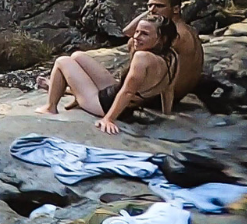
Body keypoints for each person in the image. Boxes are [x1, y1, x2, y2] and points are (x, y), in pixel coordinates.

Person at [36, 14, 179, 134]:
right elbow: (168, 89)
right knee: (78, 56)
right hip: (119, 98)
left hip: (103, 105)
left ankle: (50, 107)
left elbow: (128, 92)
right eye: (137, 31)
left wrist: (108, 119)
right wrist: (166, 114)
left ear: (162, 39)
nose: (136, 37)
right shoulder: (172, 56)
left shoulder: (142, 57)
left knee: (62, 61)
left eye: (144, 34)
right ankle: (73, 94)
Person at [123, 0, 202, 101]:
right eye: (150, 6)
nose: (152, 10)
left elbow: (129, 33)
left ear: (176, 9)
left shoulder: (177, 34)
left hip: (163, 96)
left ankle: (131, 90)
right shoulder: (185, 29)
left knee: (134, 42)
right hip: (178, 93)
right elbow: (127, 31)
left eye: (159, 6)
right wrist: (152, 12)